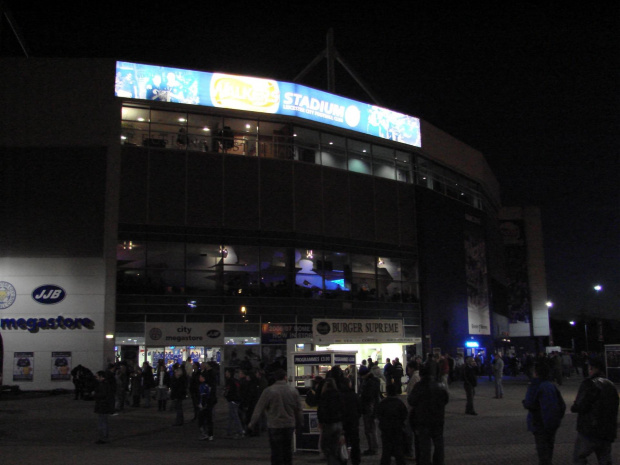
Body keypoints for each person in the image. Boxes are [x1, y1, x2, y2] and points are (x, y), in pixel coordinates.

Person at [248, 369, 303, 465]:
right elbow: (298, 409)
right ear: (285, 377)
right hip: (289, 424)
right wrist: (300, 423)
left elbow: (259, 408)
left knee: (276, 452)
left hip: (274, 425)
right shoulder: (293, 391)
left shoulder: (269, 391)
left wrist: (252, 423)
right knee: (287, 451)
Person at [571, 357, 619, 465]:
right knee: (605, 458)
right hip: (607, 430)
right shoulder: (611, 385)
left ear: (592, 368)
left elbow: (580, 405)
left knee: (579, 457)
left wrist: (575, 407)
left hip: (590, 430)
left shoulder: (589, 383)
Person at [522, 360, 566, 465]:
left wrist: (525, 403)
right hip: (551, 425)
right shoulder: (551, 386)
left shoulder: (536, 386)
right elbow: (562, 405)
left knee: (543, 454)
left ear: (536, 373)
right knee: (549, 450)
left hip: (540, 424)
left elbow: (530, 403)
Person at [408, 365, 449, 465]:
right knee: (439, 442)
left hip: (423, 419)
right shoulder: (440, 385)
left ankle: (425, 462)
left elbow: (411, 401)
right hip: (438, 418)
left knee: (425, 445)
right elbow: (446, 399)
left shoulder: (419, 386)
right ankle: (439, 461)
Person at [376, 383, 408, 465]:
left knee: (386, 452)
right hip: (398, 429)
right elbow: (404, 415)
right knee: (399, 452)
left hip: (386, 430)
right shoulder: (399, 403)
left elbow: (378, 415)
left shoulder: (383, 403)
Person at [317, 377, 345, 465]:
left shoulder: (324, 396)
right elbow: (343, 409)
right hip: (338, 423)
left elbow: (321, 410)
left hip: (328, 423)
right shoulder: (339, 394)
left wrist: (320, 421)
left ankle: (332, 462)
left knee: (327, 446)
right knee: (335, 445)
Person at [338, 377, 362, 465]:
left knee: (343, 443)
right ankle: (355, 461)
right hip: (353, 423)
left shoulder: (339, 396)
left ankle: (343, 460)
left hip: (342, 423)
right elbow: (360, 409)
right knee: (355, 443)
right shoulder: (353, 395)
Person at [359, 370, 381, 456]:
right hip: (373, 407)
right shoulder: (375, 381)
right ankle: (374, 447)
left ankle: (372, 448)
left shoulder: (368, 383)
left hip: (368, 408)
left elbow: (367, 396)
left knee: (369, 429)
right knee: (373, 429)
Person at [94, 370, 115, 444]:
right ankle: (103, 437)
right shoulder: (105, 384)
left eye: (97, 376)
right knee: (103, 421)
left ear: (101, 377)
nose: (96, 378)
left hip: (103, 405)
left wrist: (95, 395)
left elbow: (103, 395)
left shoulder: (104, 385)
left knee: (102, 422)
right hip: (103, 405)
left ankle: (103, 437)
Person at [224, 368, 245, 438]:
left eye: (226, 372)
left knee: (235, 417)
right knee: (231, 416)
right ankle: (228, 431)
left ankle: (240, 432)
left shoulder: (230, 381)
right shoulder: (236, 381)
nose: (225, 374)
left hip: (233, 400)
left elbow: (228, 391)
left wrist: (226, 396)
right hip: (236, 400)